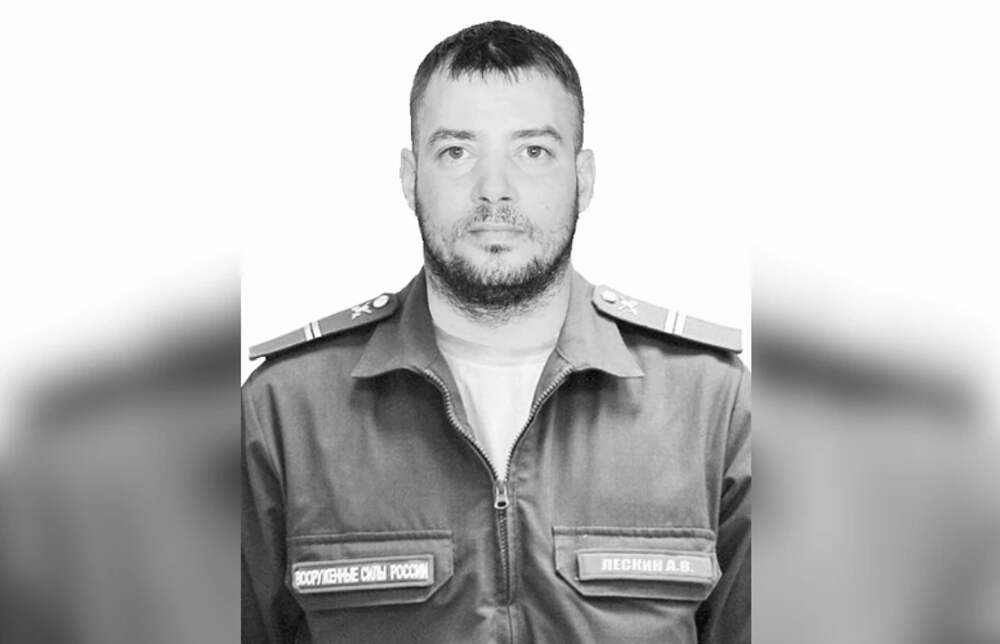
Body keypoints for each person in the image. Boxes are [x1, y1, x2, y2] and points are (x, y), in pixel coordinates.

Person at [243, 20, 749, 644]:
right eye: (457, 152)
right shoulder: (284, 412)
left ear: (584, 179)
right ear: (409, 177)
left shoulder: (711, 404)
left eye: (532, 152)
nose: (494, 191)